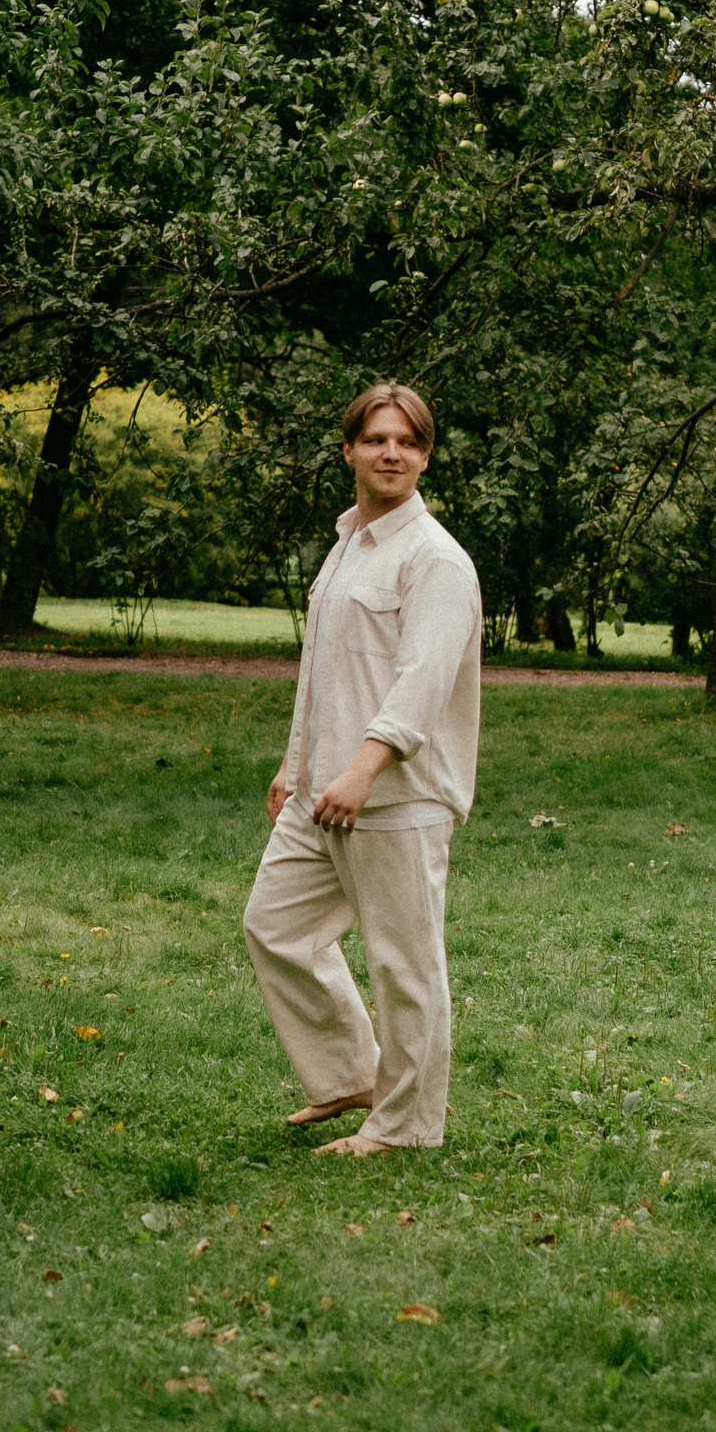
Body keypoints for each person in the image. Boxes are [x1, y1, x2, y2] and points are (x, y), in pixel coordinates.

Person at [242, 384, 482, 1158]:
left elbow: (421, 682)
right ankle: (351, 1076)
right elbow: (327, 667)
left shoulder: (435, 560)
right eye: (377, 439)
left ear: (425, 457)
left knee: (406, 968)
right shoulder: (349, 543)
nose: (391, 454)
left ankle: (408, 1127)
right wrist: (296, 763)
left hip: (394, 798)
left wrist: (364, 771)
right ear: (348, 449)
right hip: (322, 792)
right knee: (276, 928)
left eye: (408, 442)